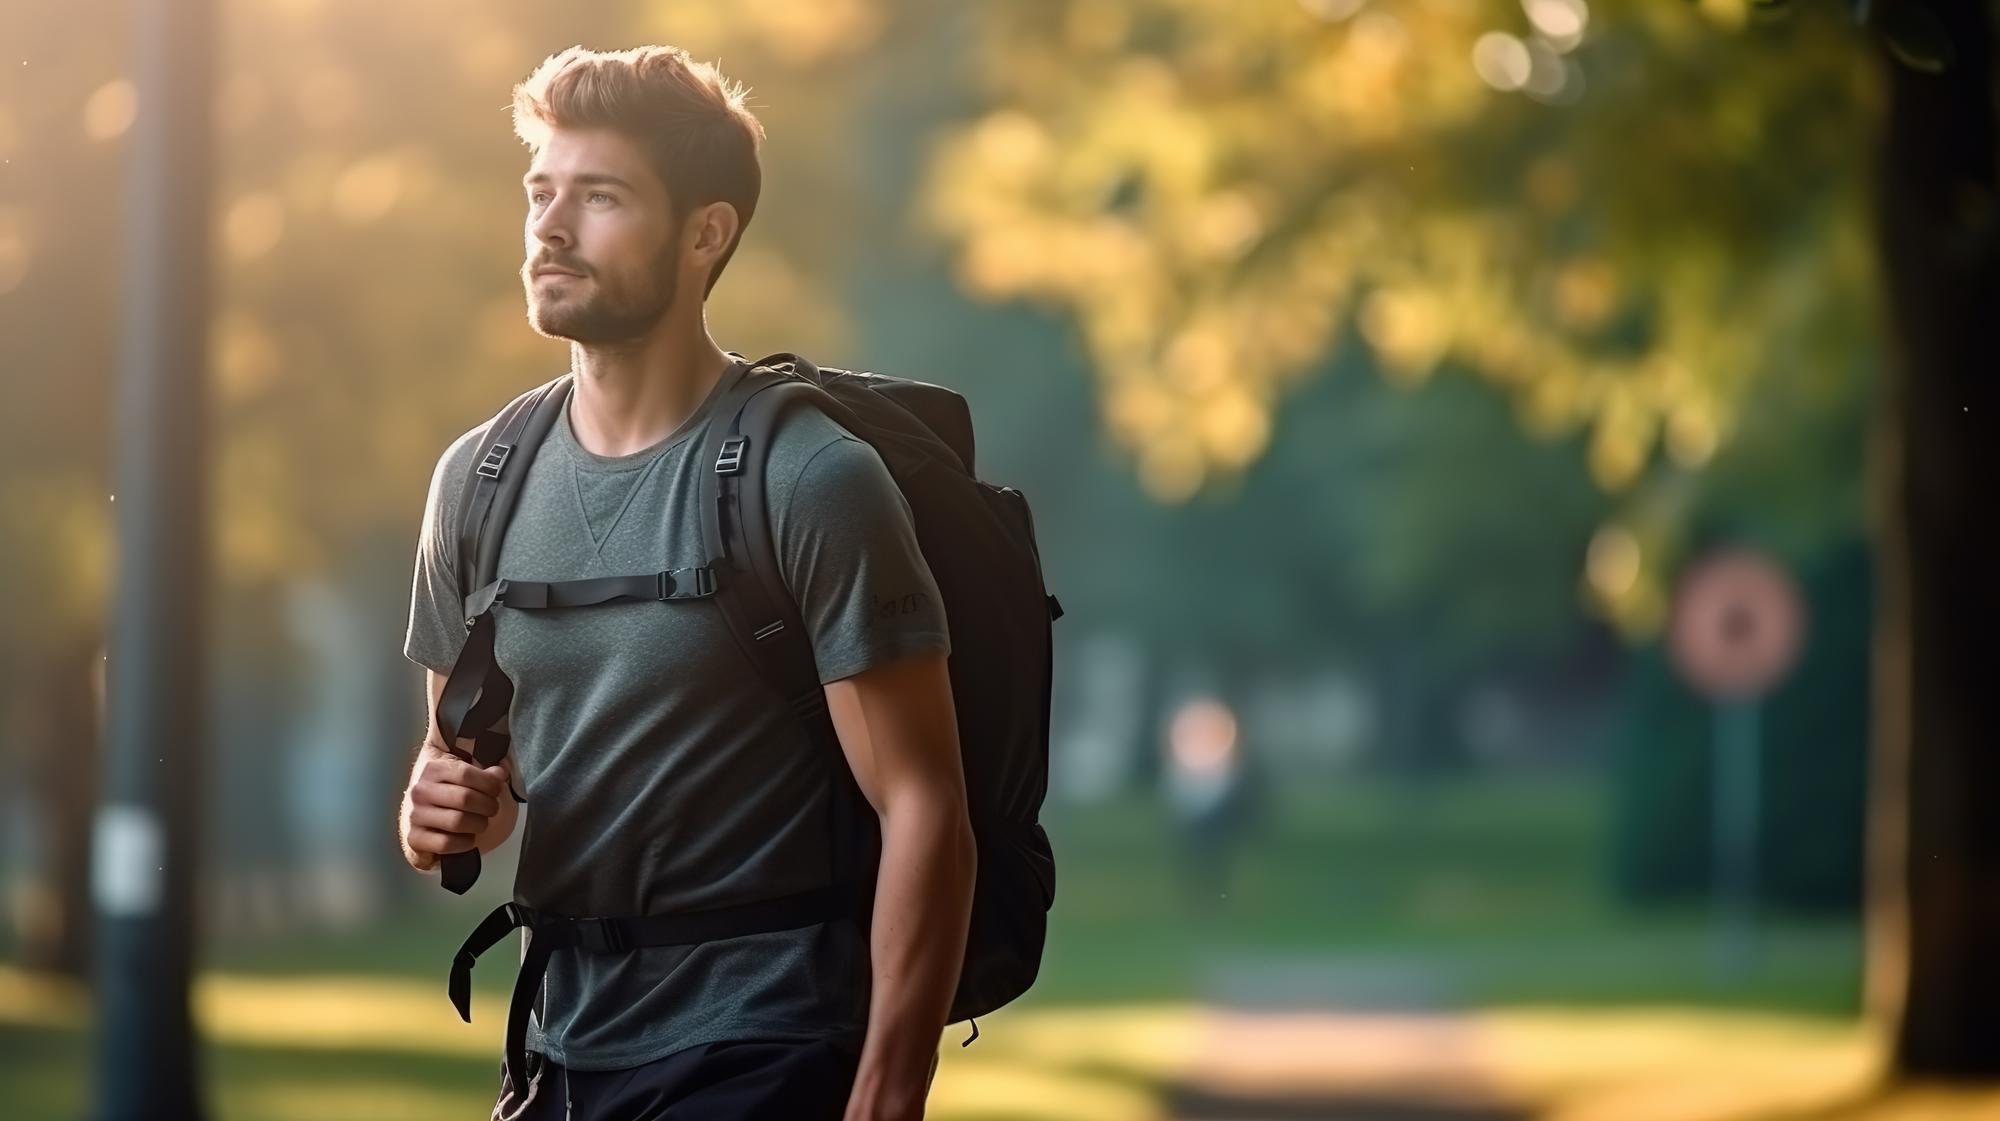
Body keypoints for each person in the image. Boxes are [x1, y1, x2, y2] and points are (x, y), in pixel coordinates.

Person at [396, 45, 976, 1121]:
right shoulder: (477, 482)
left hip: (760, 1044)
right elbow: (467, 783)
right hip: (558, 1048)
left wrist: (888, 1091)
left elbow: (923, 805)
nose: (550, 227)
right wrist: (434, 811)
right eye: (540, 191)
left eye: (600, 196)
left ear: (704, 233)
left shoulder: (808, 479)